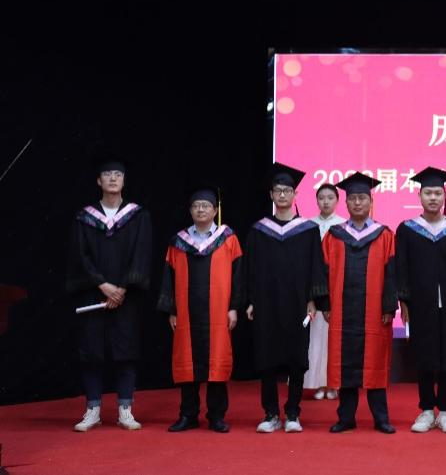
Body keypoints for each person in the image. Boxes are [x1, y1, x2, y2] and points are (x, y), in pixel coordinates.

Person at [67, 155, 152, 432]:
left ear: (124, 180)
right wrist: (102, 285)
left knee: (126, 351)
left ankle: (125, 409)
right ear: (98, 180)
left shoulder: (138, 216)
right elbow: (79, 255)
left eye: (118, 174)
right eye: (107, 174)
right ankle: (92, 410)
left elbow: (141, 253)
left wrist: (123, 288)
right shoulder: (84, 218)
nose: (113, 178)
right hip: (93, 294)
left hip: (127, 297)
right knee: (91, 351)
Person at [243, 163, 327, 433]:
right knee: (266, 357)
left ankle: (293, 413)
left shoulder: (308, 230)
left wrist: (313, 300)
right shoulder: (259, 231)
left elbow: (316, 267)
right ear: (271, 195)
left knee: (296, 358)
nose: (282, 195)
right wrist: (251, 300)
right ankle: (270, 414)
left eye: (287, 190)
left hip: (297, 303)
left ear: (294, 194)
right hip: (266, 302)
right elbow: (250, 269)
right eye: (278, 190)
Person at [158, 184, 243, 433]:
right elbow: (168, 278)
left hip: (218, 311)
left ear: (215, 210)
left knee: (217, 361)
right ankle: (188, 414)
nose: (201, 210)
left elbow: (238, 276)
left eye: (206, 206)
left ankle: (216, 416)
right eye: (196, 206)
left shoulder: (228, 239)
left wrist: (233, 307)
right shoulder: (178, 241)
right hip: (186, 312)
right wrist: (172, 310)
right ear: (190, 210)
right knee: (187, 362)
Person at [321, 172, 397, 434]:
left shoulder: (384, 235)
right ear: (346, 203)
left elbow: (391, 274)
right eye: (352, 198)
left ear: (371, 202)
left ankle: (381, 418)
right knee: (345, 364)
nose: (357, 203)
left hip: (374, 311)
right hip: (342, 311)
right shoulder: (334, 235)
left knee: (375, 363)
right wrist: (325, 304)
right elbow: (323, 272)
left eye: (362, 198)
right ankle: (346, 417)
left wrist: (389, 307)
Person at [396, 167, 446, 433]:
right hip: (420, 303)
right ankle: (426, 409)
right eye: (428, 193)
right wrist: (404, 301)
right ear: (419, 196)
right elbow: (401, 267)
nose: (433, 198)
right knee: (424, 355)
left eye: (438, 193)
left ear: (445, 195)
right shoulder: (408, 229)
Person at [304, 183, 345, 401]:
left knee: (334, 338)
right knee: (316, 337)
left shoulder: (344, 226)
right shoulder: (308, 226)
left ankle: (334, 383)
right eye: (321, 198)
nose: (326, 201)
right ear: (316, 200)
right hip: (314, 287)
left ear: (337, 200)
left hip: (336, 286)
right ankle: (318, 383)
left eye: (330, 197)